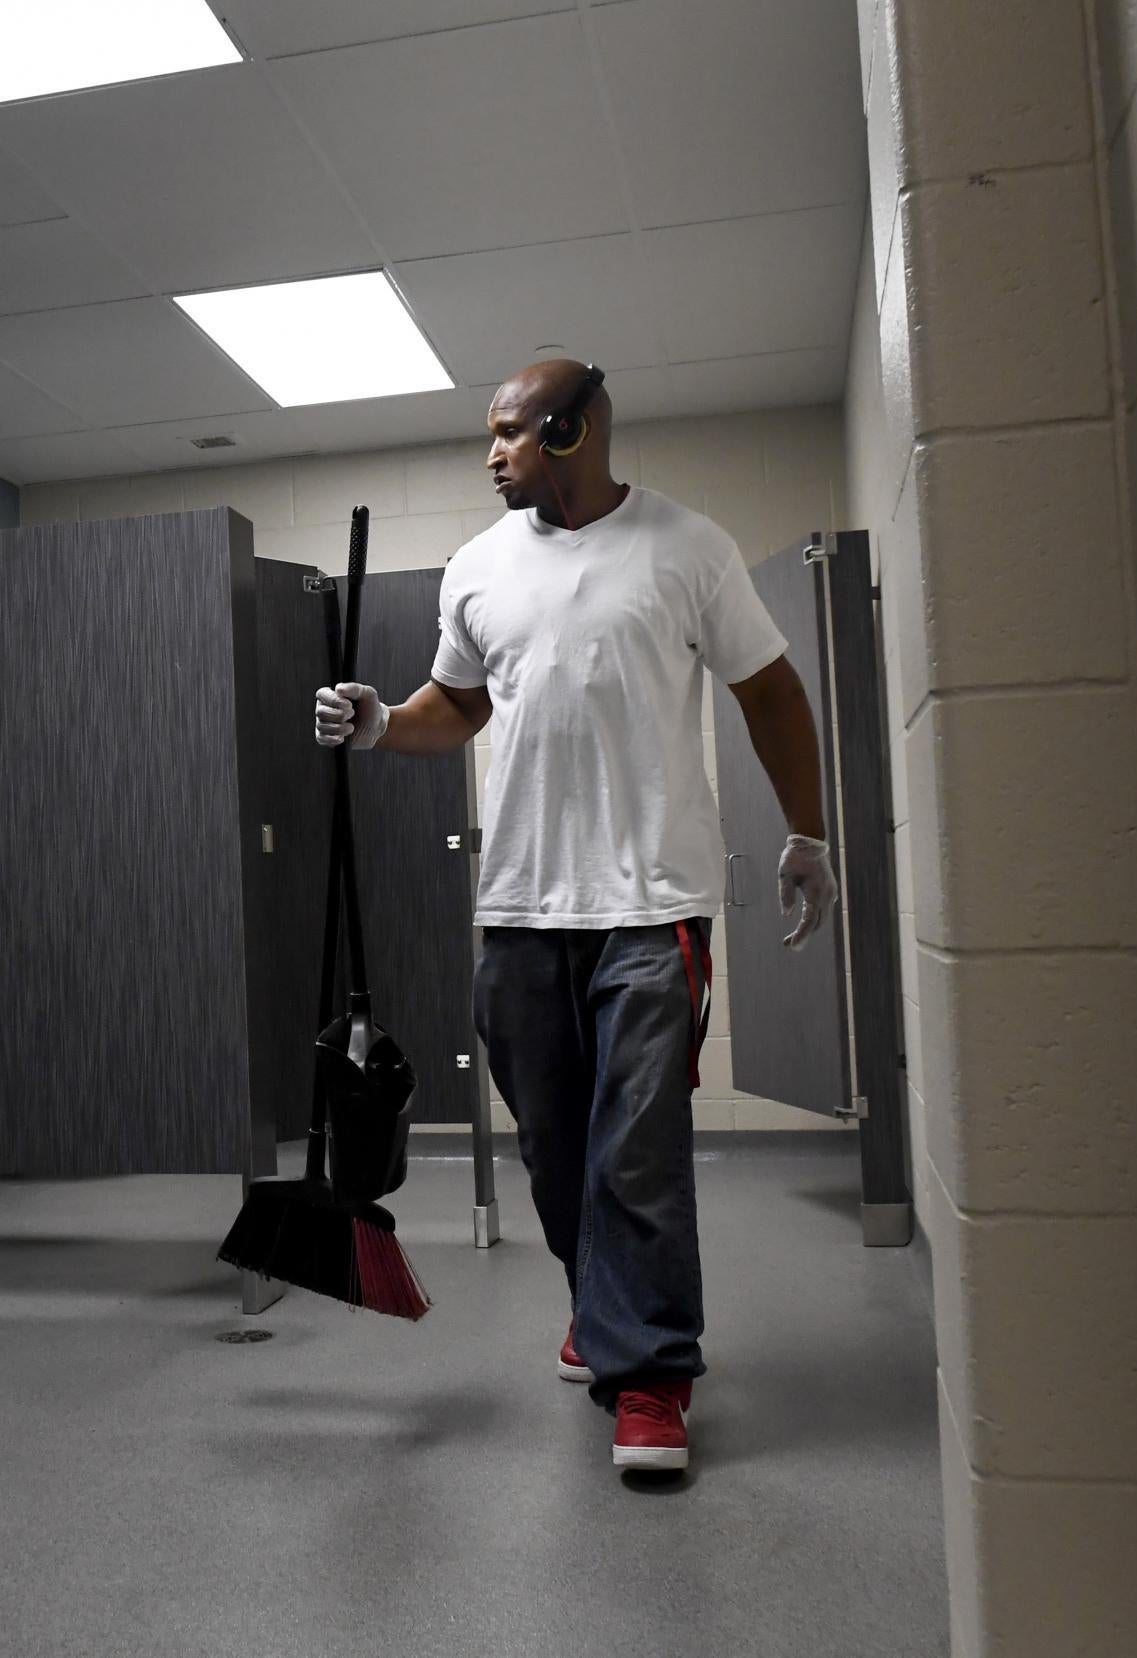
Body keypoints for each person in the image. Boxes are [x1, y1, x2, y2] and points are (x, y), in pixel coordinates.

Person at [313, 359, 837, 1474]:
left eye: (507, 432)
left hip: (654, 907)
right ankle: (599, 1303)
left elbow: (771, 690)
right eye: (489, 435)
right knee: (554, 1148)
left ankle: (649, 1374)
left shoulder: (686, 546)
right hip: (517, 911)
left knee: (636, 1150)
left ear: (570, 427)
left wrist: (807, 833)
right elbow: (452, 706)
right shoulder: (475, 566)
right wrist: (373, 723)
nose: (490, 452)